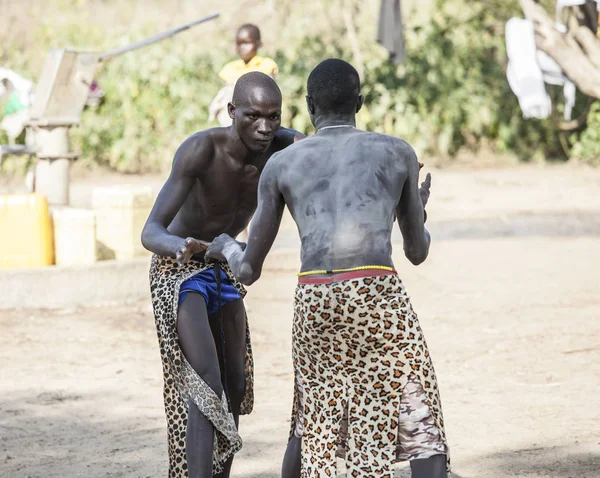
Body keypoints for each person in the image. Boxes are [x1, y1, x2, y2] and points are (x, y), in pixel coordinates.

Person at [206, 59, 450, 478]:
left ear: (308, 104)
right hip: (378, 295)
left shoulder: (282, 164)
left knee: (313, 418)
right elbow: (416, 251)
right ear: (360, 101)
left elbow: (247, 270)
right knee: (417, 410)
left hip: (315, 297)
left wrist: (226, 244)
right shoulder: (397, 151)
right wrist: (418, 217)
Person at [141, 71, 303, 478]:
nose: (265, 128)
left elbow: (330, 149)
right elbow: (150, 231)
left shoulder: (286, 145)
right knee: (206, 380)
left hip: (224, 269)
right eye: (252, 116)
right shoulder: (201, 150)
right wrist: (181, 246)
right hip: (178, 271)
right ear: (232, 111)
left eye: (274, 117)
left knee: (235, 384)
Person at [209, 24, 279, 127]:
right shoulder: (230, 68)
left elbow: (270, 95)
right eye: (239, 44)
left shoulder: (266, 65)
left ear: (258, 43)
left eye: (246, 43)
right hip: (233, 118)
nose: (242, 47)